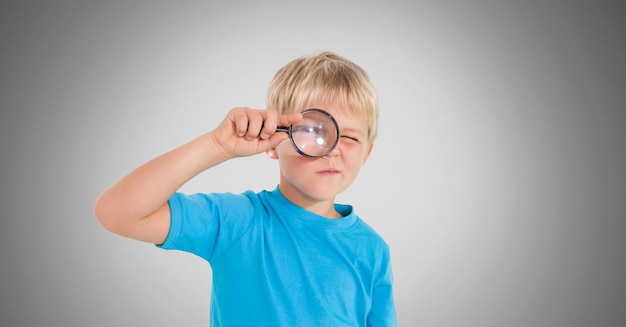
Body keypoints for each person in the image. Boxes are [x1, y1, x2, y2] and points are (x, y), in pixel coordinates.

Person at [94, 51, 397, 326]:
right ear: (275, 141)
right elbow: (117, 213)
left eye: (351, 139)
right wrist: (215, 146)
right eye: (312, 131)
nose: (332, 150)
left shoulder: (373, 250)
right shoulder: (238, 221)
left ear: (366, 154)